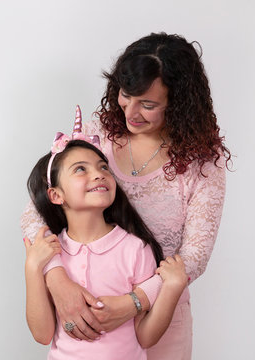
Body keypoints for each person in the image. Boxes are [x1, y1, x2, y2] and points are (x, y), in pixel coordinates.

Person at [21, 32, 231, 359]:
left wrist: (134, 302)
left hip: (160, 315)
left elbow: (195, 255)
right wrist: (57, 280)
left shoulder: (202, 164)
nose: (130, 112)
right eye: (125, 95)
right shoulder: (100, 132)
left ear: (178, 103)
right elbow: (36, 210)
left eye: (147, 104)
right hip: (79, 313)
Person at [23, 112, 188, 359]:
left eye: (103, 167)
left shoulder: (134, 249)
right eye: (80, 169)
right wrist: (32, 267)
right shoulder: (51, 253)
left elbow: (146, 337)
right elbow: (42, 334)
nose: (99, 173)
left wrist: (173, 287)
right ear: (56, 195)